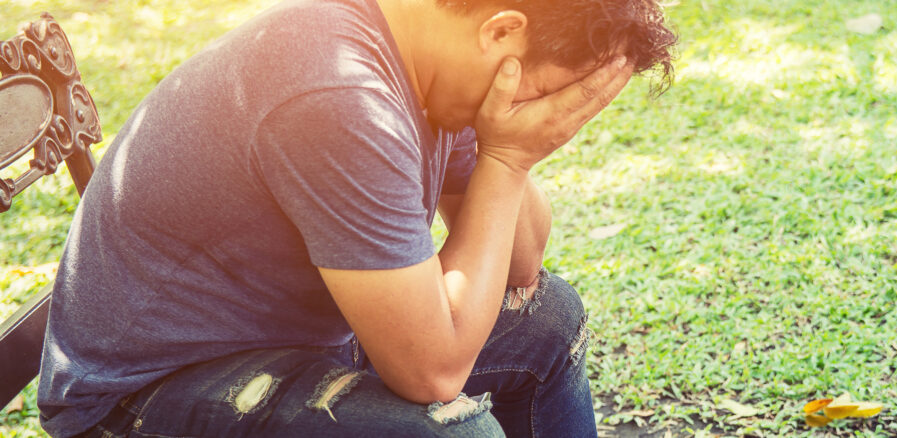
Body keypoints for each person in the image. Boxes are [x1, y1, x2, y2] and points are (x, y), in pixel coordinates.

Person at [36, 0, 675, 436]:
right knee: (448, 431)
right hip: (141, 396)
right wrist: (505, 161)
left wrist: (511, 150)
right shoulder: (339, 92)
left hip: (288, 347)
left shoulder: (431, 66)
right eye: (547, 94)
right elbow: (431, 371)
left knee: (548, 318)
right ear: (501, 32)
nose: (545, 117)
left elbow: (521, 265)